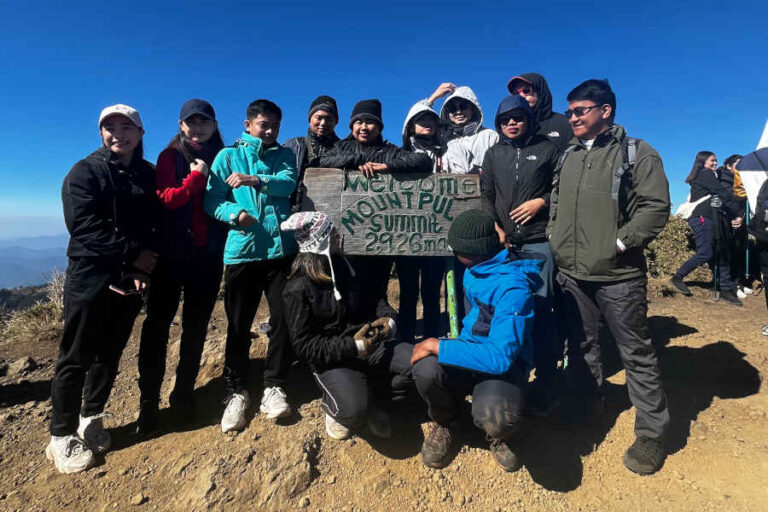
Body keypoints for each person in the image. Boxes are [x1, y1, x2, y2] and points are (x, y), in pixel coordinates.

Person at [548, 79, 671, 475]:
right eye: (569, 112)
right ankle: (588, 407)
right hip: (573, 274)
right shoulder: (568, 156)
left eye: (579, 111)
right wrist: (555, 237)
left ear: (606, 111)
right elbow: (555, 204)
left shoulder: (637, 153)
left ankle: (652, 433)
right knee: (582, 344)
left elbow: (656, 207)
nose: (572, 118)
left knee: (634, 350)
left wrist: (621, 242)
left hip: (619, 275)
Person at [48, 104, 160, 473]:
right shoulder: (84, 172)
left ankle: (90, 417)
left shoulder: (147, 174)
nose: (118, 134)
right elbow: (84, 228)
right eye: (109, 127)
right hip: (89, 275)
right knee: (75, 355)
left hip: (127, 279)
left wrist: (141, 266)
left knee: (110, 353)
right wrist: (136, 257)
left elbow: (154, 226)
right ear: (100, 134)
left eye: (126, 127)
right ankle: (60, 436)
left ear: (140, 134)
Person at [409, 209, 541, 472]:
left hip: (502, 366)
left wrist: (440, 345)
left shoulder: (513, 288)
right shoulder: (477, 267)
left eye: (457, 249)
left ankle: (498, 435)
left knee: (497, 415)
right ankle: (449, 421)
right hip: (472, 350)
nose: (454, 253)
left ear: (472, 253)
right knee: (426, 369)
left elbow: (500, 357)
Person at [204, 99, 298, 432]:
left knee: (283, 319)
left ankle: (274, 385)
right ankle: (236, 391)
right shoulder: (226, 156)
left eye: (275, 125)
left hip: (279, 251)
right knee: (238, 324)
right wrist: (234, 215)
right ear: (248, 125)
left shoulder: (284, 155)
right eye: (263, 125)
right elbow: (212, 198)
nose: (270, 131)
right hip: (243, 251)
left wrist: (254, 179)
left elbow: (288, 184)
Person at [135, 99, 227, 434]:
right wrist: (195, 180)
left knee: (196, 327)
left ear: (214, 125)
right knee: (157, 327)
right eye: (192, 122)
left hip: (207, 256)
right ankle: (149, 403)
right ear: (181, 124)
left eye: (204, 122)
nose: (198, 127)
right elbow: (166, 198)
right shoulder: (169, 156)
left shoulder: (224, 156)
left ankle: (183, 393)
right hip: (171, 257)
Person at [281, 212, 412, 440]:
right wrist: (353, 347)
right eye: (331, 233)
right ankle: (339, 406)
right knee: (353, 410)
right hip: (333, 358)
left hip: (369, 344)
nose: (337, 237)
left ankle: (370, 395)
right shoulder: (297, 288)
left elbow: (375, 297)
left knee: (418, 365)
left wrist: (389, 319)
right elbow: (305, 347)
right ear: (320, 241)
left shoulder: (347, 266)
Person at [481, 94, 560, 415]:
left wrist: (541, 202)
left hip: (538, 241)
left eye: (518, 117)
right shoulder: (493, 153)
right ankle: (511, 378)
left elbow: (562, 189)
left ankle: (545, 380)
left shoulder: (548, 150)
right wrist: (496, 229)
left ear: (529, 119)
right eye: (505, 119)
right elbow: (485, 194)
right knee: (506, 311)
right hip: (503, 244)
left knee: (540, 310)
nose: (511, 123)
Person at [319, 99, 432, 320]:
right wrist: (357, 161)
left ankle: (383, 334)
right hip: (347, 235)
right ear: (351, 126)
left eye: (370, 122)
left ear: (379, 127)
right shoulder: (339, 148)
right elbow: (321, 161)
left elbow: (423, 161)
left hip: (381, 235)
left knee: (377, 289)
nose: (364, 127)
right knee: (349, 289)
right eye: (358, 122)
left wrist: (387, 166)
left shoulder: (389, 151)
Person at [395, 101, 460, 343]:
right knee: (408, 292)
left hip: (436, 230)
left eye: (431, 121)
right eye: (421, 121)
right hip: (406, 232)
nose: (427, 125)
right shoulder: (400, 152)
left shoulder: (445, 152)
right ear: (411, 126)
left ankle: (433, 336)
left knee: (433, 291)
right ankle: (405, 338)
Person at [670, 151, 744, 305]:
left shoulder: (711, 175)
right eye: (712, 161)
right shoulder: (705, 174)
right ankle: (677, 277)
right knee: (706, 252)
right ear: (702, 162)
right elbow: (720, 192)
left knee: (723, 252)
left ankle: (725, 288)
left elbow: (720, 197)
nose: (715, 163)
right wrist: (738, 211)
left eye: (716, 161)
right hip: (703, 217)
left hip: (715, 218)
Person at [426, 83, 499, 174]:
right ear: (447, 113)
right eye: (452, 108)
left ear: (473, 109)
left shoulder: (490, 136)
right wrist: (432, 99)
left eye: (463, 107)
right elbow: (417, 123)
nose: (458, 112)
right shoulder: (440, 140)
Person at [285, 95, 341, 212]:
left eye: (329, 119)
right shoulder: (293, 145)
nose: (323, 123)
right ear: (310, 118)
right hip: (293, 213)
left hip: (330, 211)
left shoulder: (344, 149)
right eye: (319, 118)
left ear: (336, 122)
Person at [506, 73, 573, 151]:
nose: (521, 96)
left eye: (526, 90)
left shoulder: (564, 124)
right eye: (516, 94)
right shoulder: (511, 128)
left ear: (540, 91)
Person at [718, 154, 752, 297]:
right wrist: (735, 215)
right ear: (729, 166)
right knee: (729, 251)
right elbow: (725, 199)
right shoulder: (721, 178)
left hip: (740, 219)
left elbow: (747, 200)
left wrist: (742, 216)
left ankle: (740, 281)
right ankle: (732, 284)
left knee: (740, 249)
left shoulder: (744, 181)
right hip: (725, 219)